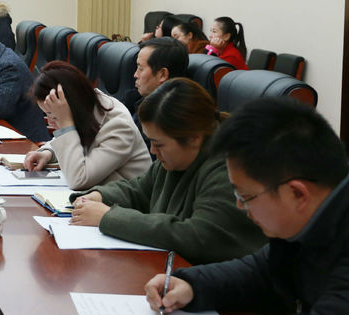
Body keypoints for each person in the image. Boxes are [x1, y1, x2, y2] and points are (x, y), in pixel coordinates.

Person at [145, 98, 349, 315]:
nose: (240, 207)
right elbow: (262, 272)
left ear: (297, 194)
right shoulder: (309, 222)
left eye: (246, 196)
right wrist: (192, 285)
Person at [69, 78, 265, 265]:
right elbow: (139, 190)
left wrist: (108, 218)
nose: (153, 151)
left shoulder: (227, 169)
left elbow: (197, 236)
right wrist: (98, 196)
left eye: (159, 144)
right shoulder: (177, 157)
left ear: (194, 138)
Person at [23, 61, 150, 191]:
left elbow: (79, 180)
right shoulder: (86, 107)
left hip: (124, 201)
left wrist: (65, 124)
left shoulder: (119, 127)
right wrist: (48, 153)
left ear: (73, 105)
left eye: (54, 116)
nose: (50, 122)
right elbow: (76, 138)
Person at [133, 37, 189, 156]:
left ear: (162, 74)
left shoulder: (168, 121)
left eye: (140, 68)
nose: (135, 74)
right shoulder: (138, 100)